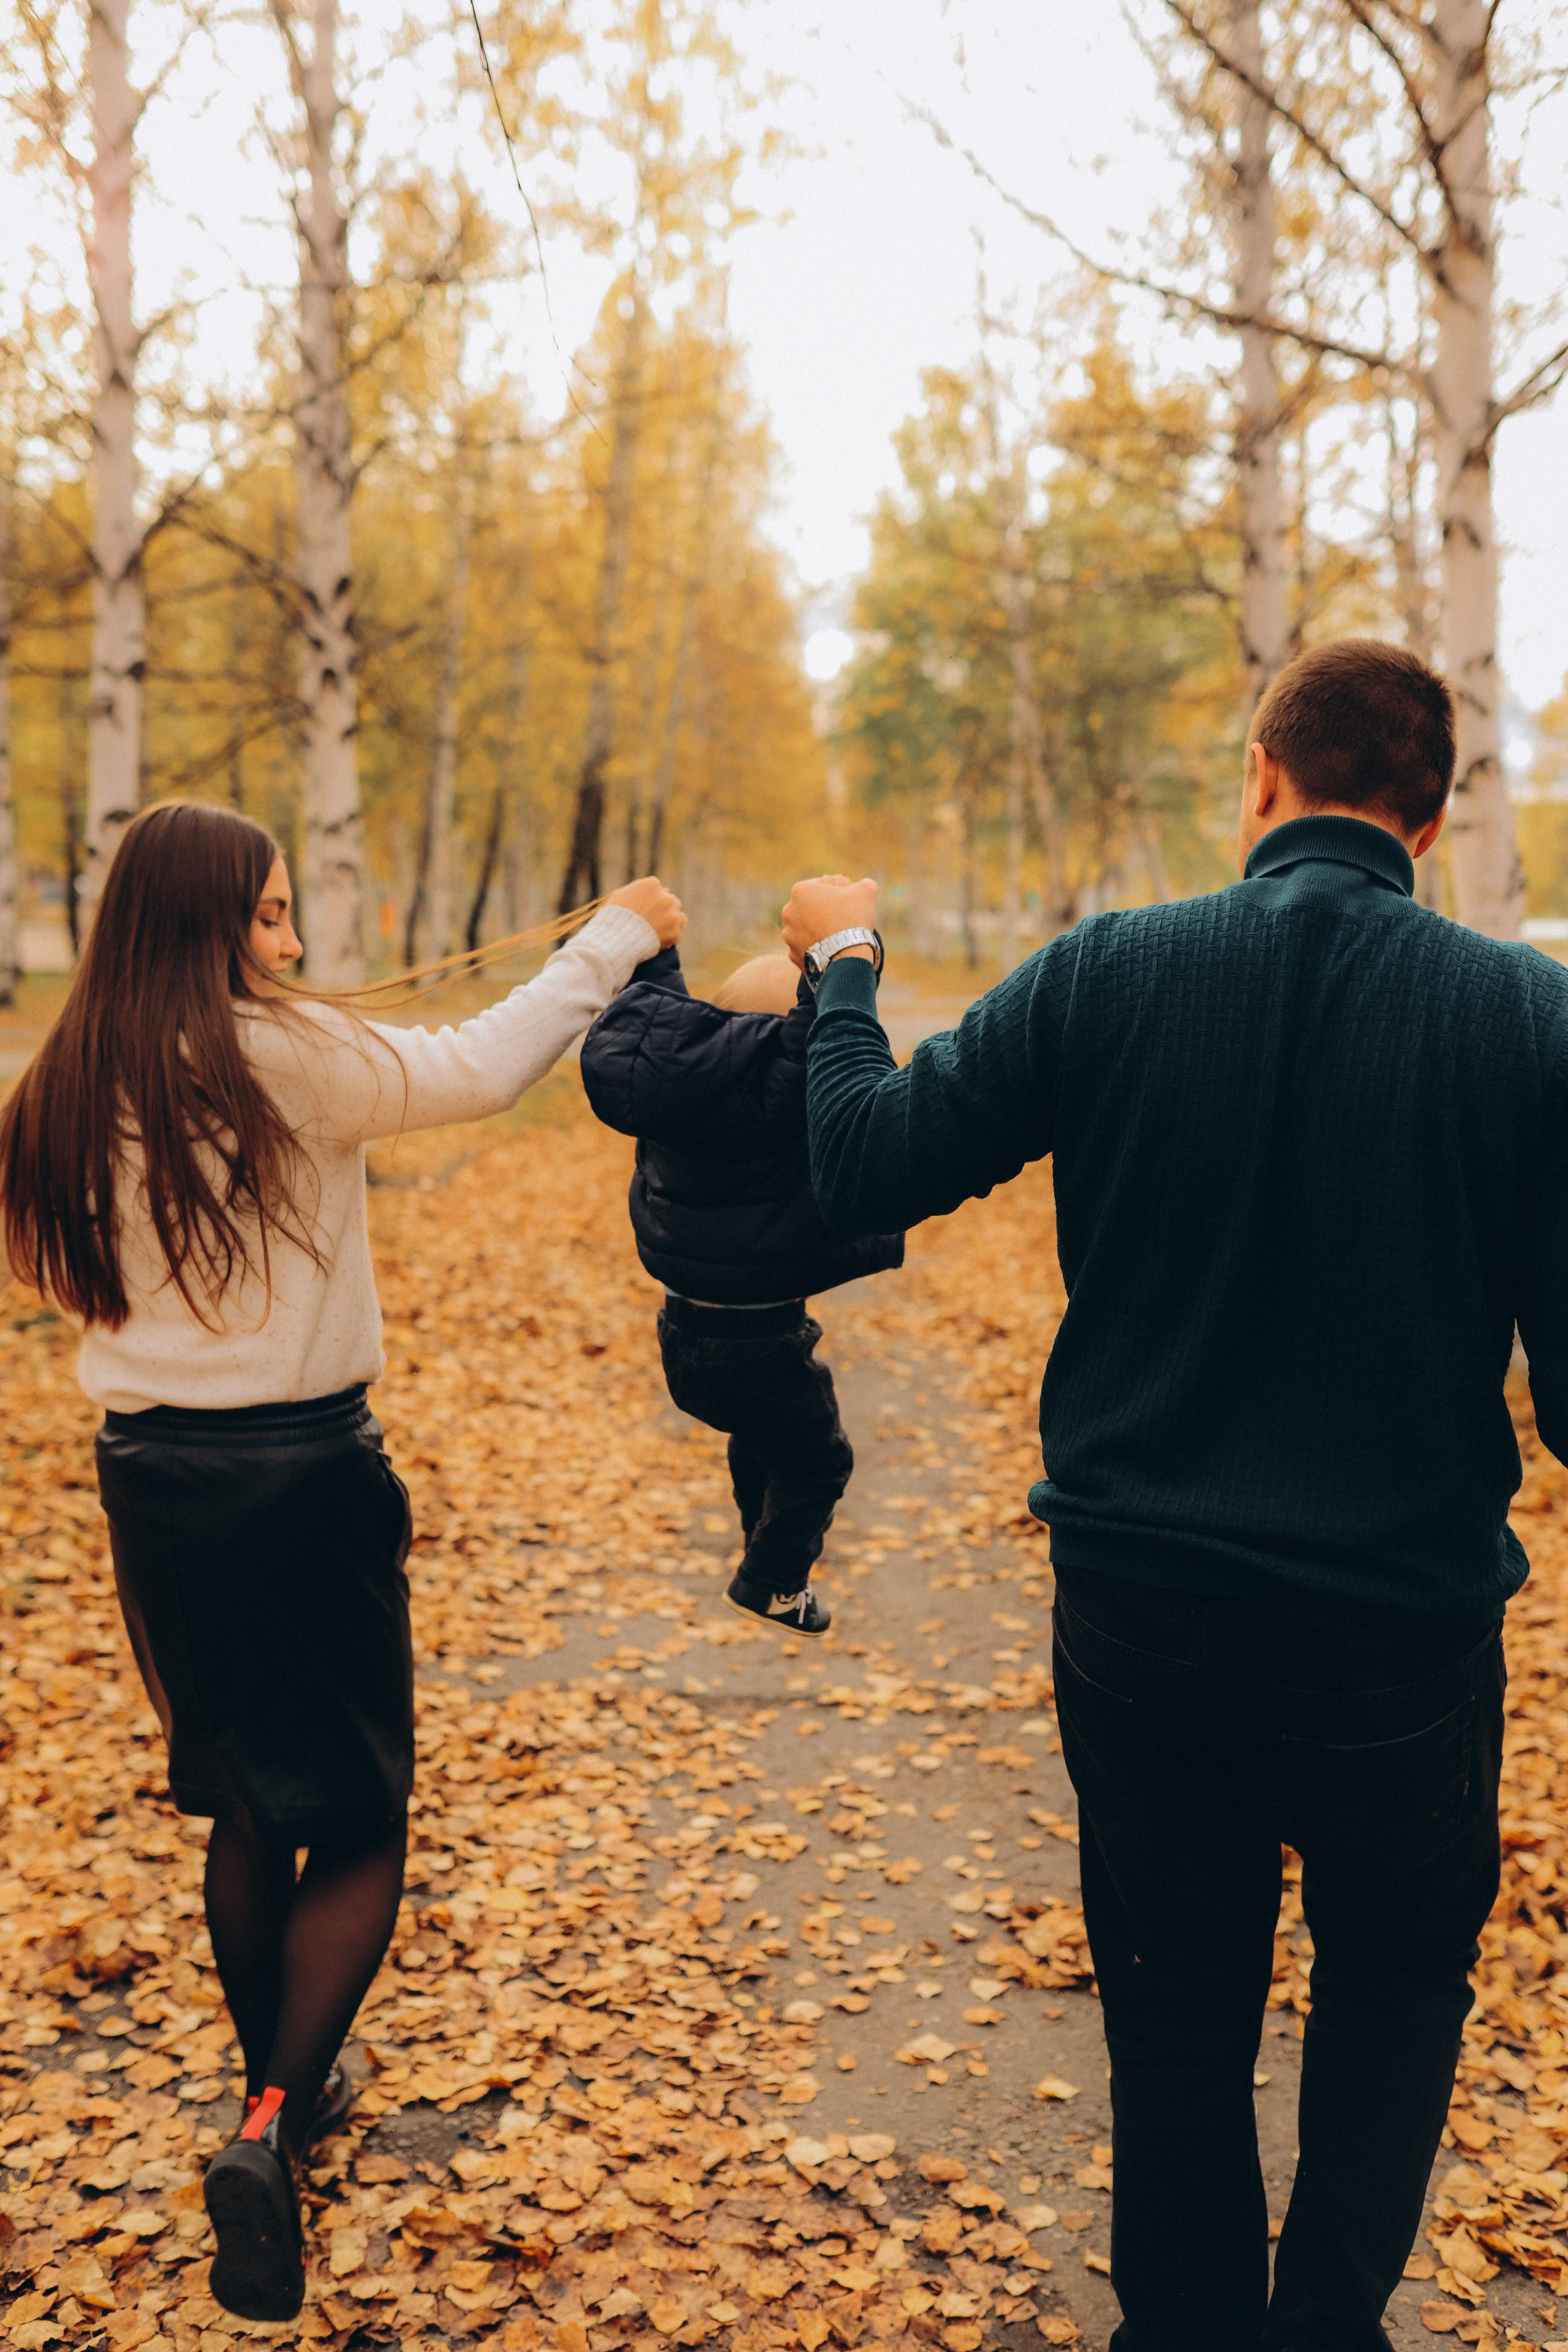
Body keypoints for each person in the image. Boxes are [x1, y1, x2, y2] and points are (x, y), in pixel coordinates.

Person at [782, 639, 1564, 2351]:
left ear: (1261, 778)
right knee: (1394, 1978)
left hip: (1146, 1621)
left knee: (1178, 2008)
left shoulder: (1113, 973)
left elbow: (860, 1165)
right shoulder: (1528, 1018)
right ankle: (1326, 2327)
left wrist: (846, 967)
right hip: (1402, 1641)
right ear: (1427, 827)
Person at [0, 802, 682, 2323]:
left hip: (151, 1482)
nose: (291, 944)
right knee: (364, 1809)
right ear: (202, 926)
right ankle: (269, 2118)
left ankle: (278, 2088)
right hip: (298, 1474)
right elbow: (485, 1065)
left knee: (244, 1791)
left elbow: (58, 1274)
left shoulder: (61, 1077)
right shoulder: (277, 1056)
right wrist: (618, 932)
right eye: (268, 919)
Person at [578, 943, 902, 1639]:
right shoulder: (777, 1095)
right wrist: (839, 958)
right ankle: (771, 1580)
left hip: (684, 1338)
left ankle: (762, 1543)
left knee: (762, 1437)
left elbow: (661, 1009)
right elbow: (817, 1040)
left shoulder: (676, 1094)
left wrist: (657, 952)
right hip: (761, 1342)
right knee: (819, 1459)